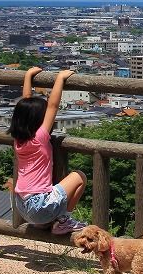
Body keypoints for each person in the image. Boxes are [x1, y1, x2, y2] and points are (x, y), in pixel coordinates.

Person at [9, 66, 87, 235]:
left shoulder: (19, 139)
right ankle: (64, 220)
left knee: (47, 201)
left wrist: (28, 75)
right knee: (79, 177)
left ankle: (48, 221)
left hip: (21, 205)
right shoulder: (40, 137)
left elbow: (25, 104)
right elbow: (53, 105)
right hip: (39, 205)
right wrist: (60, 78)